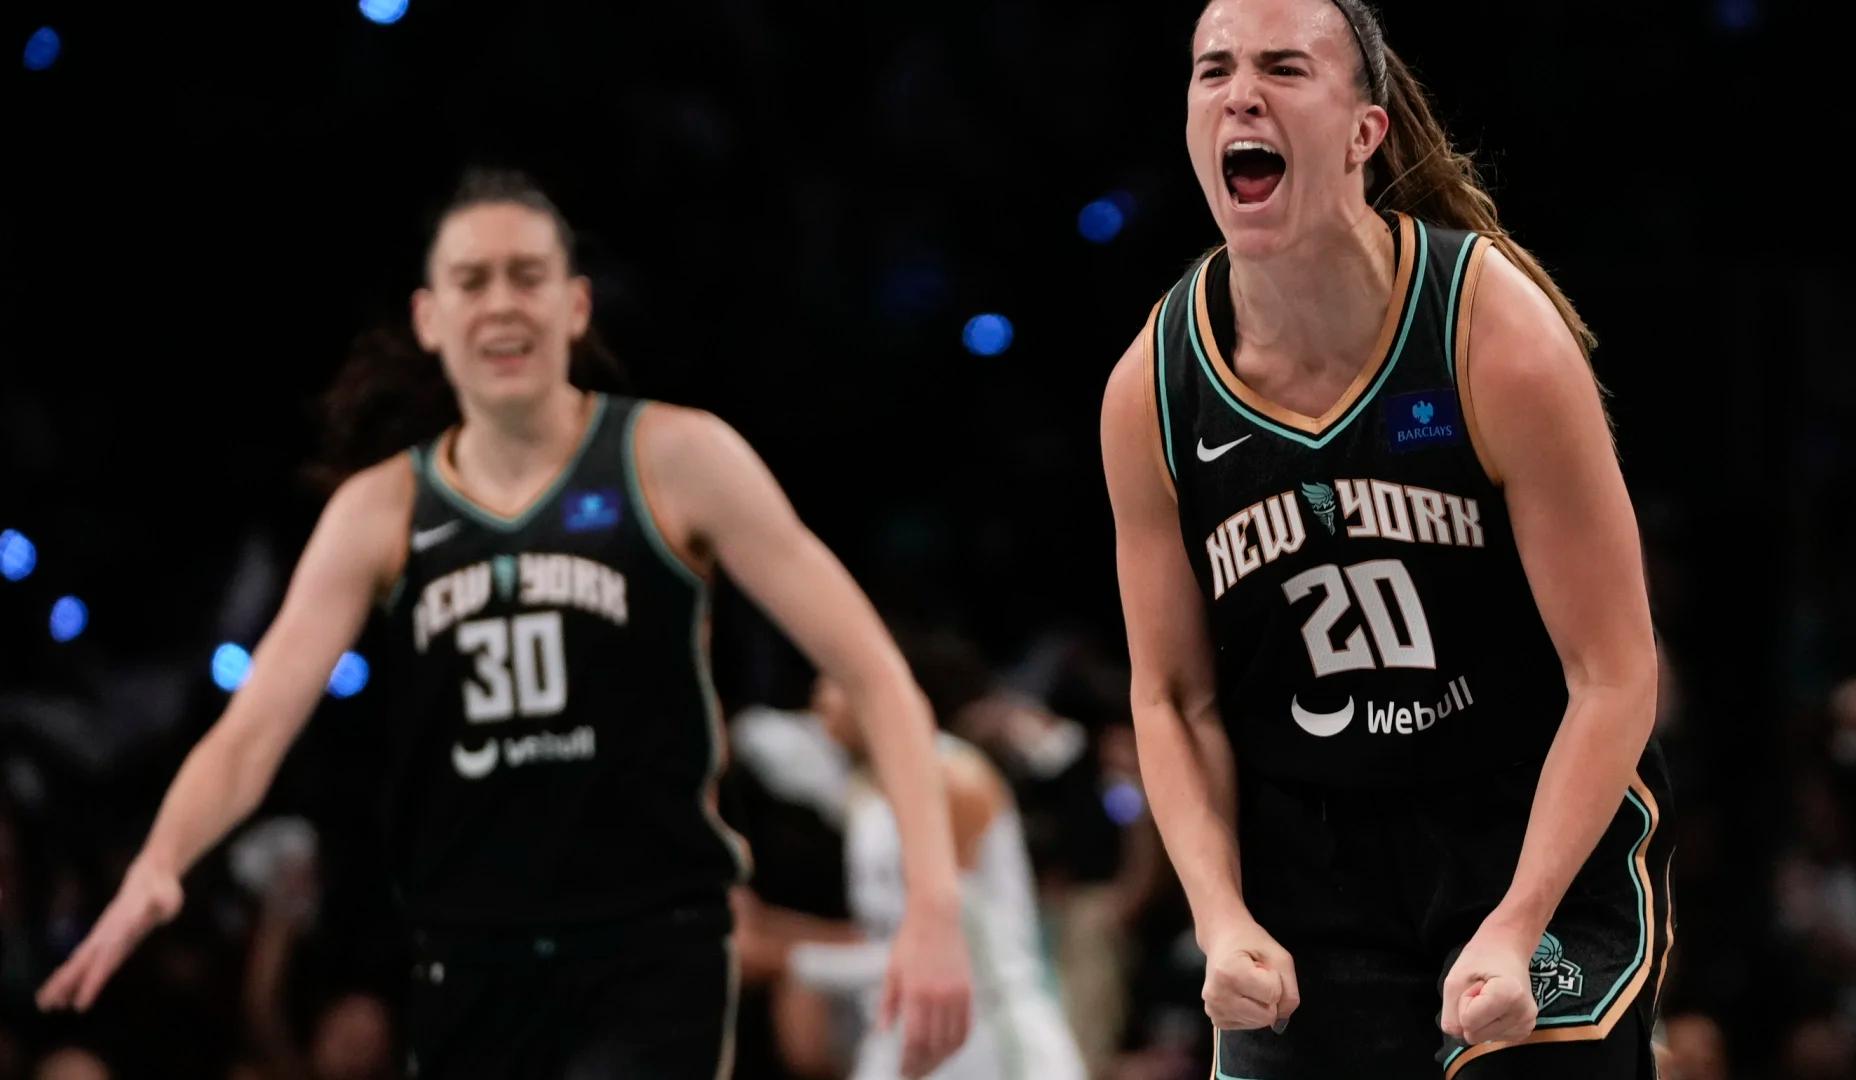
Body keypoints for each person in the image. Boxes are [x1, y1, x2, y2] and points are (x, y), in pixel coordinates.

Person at [36, 168, 971, 1079]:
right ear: (429, 319)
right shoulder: (379, 510)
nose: (501, 303)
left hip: (649, 952)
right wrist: (162, 860)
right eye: (471, 281)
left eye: (527, 275)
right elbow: (249, 737)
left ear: (574, 306)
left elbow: (877, 674)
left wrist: (933, 905)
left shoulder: (676, 458)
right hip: (466, 963)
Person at [1098, 1, 1673, 1076]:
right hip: (1307, 863)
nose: (1241, 93)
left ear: (1366, 132)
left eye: (1281, 67)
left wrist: (1517, 918)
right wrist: (1220, 915)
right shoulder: (1152, 391)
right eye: (1212, 69)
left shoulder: (1494, 337)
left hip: (1521, 820)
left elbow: (1613, 670)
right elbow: (1172, 699)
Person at [736, 674, 1086, 1080]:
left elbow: (943, 949)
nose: (821, 706)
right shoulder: (864, 786)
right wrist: (766, 930)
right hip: (906, 1028)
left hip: (987, 1033)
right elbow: (886, 937)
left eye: (834, 683)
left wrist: (790, 959)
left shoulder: (953, 778)